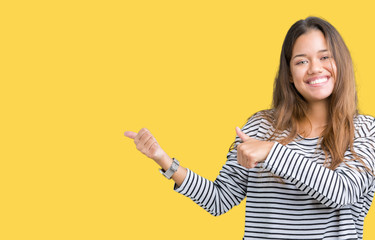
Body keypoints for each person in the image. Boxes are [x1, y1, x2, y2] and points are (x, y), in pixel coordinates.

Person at [124, 16, 375, 240]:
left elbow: (343, 192)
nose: (314, 68)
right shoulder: (261, 127)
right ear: (289, 73)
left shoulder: (365, 130)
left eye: (324, 57)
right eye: (301, 61)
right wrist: (166, 161)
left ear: (340, 62)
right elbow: (219, 199)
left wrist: (271, 152)